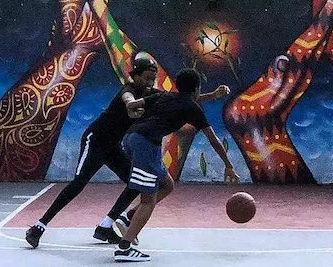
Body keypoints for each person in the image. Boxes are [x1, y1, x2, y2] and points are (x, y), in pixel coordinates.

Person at [25, 53, 229, 248]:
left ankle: (105, 225)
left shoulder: (152, 95)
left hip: (114, 146)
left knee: (135, 184)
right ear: (136, 76)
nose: (150, 83)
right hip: (96, 140)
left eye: (152, 79)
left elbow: (183, 101)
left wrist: (214, 95)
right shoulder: (128, 88)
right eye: (147, 78)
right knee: (79, 183)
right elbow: (128, 98)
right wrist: (132, 104)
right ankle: (39, 227)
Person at [113, 68, 240, 263]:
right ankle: (124, 247)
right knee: (148, 199)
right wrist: (229, 165)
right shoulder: (193, 108)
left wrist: (132, 105)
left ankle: (129, 216)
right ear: (196, 89)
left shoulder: (165, 96)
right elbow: (213, 139)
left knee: (167, 185)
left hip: (132, 137)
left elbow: (137, 104)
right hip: (145, 143)